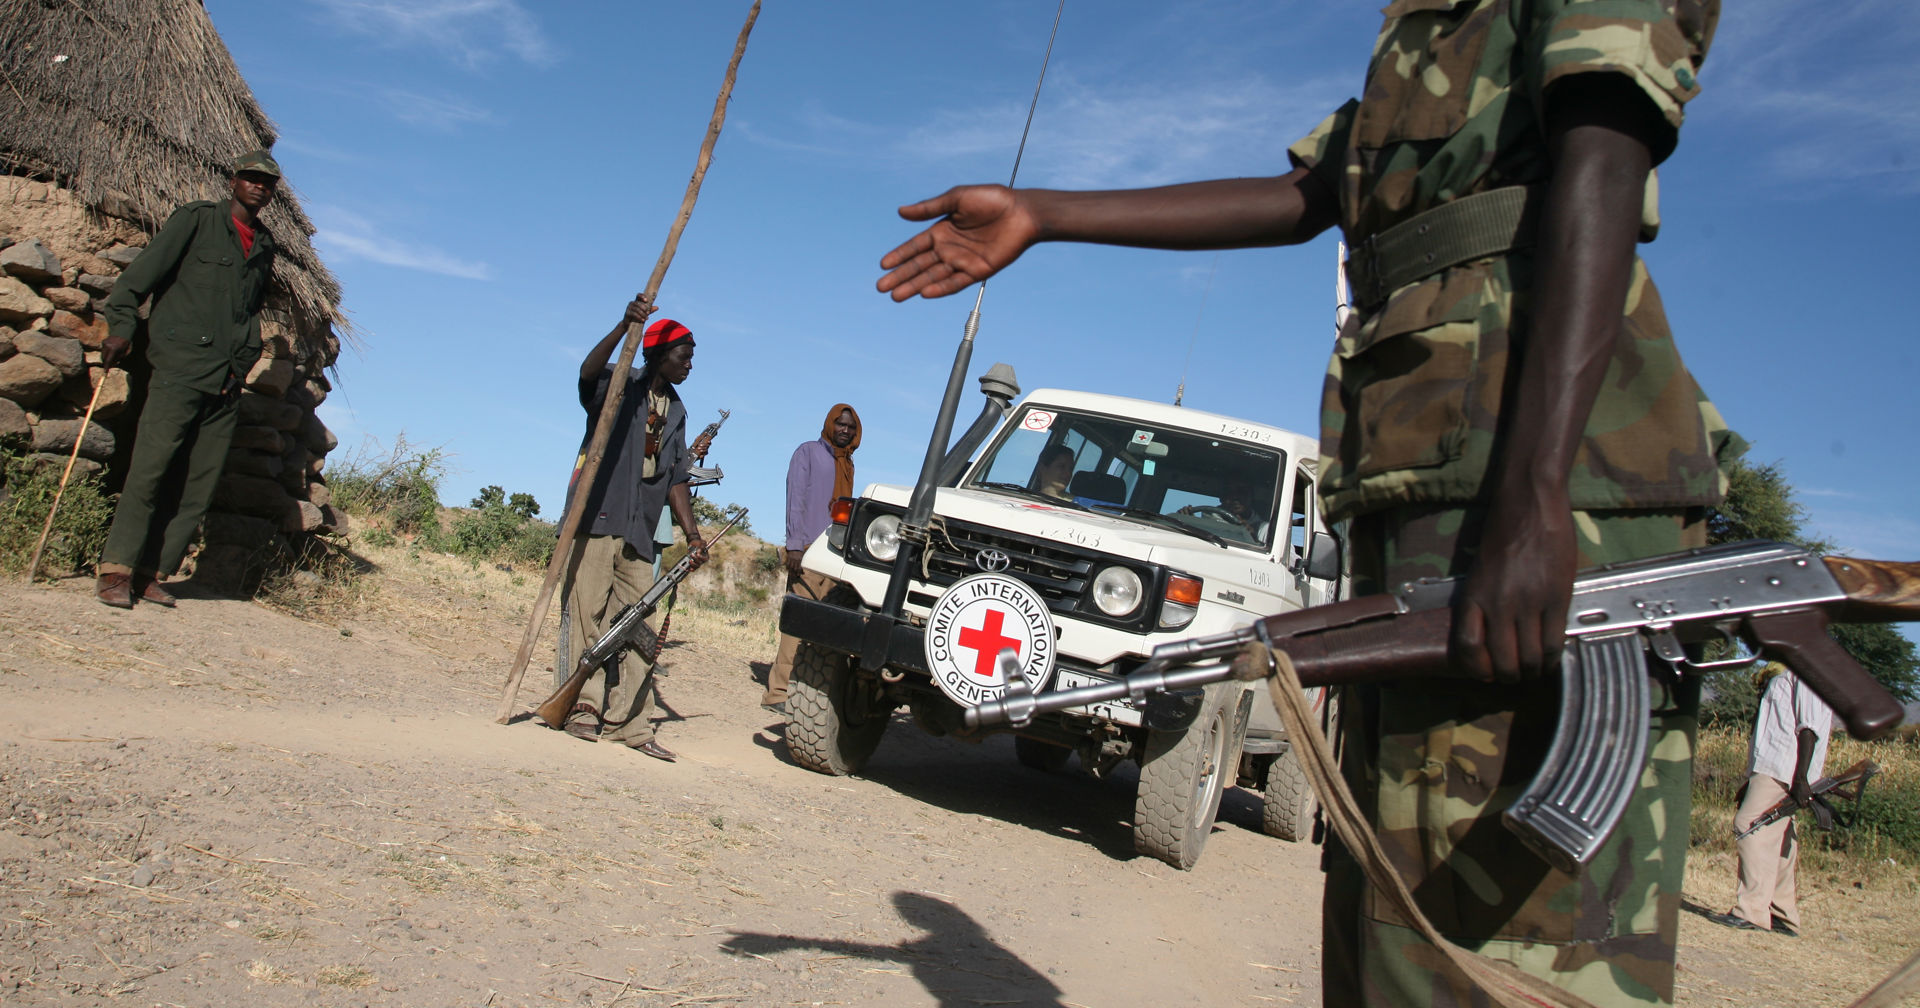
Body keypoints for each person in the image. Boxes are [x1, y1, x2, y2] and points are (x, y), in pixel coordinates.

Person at [875, 4, 1738, 1003]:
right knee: (1394, 881)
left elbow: (1604, 162)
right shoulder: (1425, 26)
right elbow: (1305, 193)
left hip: (1549, 476)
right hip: (1423, 477)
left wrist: (1538, 490)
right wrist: (1045, 213)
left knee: (1520, 922)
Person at [93, 150, 282, 609]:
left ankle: (150, 573)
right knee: (151, 469)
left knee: (196, 482)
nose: (259, 186)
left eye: (268, 182)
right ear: (233, 180)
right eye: (251, 178)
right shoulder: (195, 221)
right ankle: (116, 568)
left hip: (226, 379)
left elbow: (247, 309)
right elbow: (139, 280)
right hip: (180, 365)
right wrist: (120, 326)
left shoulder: (264, 246)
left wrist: (244, 359)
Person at [559, 301, 709, 762]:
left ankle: (630, 723)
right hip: (600, 516)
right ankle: (580, 706)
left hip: (641, 530)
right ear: (659, 354)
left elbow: (677, 477)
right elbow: (586, 375)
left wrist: (693, 534)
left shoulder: (677, 411)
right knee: (587, 616)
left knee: (638, 627)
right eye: (683, 355)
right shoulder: (621, 384)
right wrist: (625, 326)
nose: (689, 363)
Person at [1714, 664, 1833, 936]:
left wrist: (1801, 779)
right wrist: (1751, 777)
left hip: (1784, 769)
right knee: (1779, 838)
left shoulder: (1807, 673)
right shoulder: (1788, 673)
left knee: (1749, 825)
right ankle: (1782, 915)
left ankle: (1752, 911)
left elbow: (1809, 729)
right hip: (1774, 768)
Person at [764, 404, 862, 713]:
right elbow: (796, 498)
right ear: (830, 424)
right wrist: (794, 545)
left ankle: (803, 692)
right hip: (806, 552)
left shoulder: (848, 464)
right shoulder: (807, 452)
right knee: (796, 626)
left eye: (850, 427)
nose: (844, 430)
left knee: (819, 629)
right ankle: (777, 693)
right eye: (840, 424)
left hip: (833, 558)